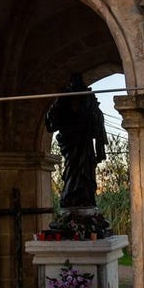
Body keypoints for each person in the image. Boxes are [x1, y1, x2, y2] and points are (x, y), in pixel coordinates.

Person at [44, 73, 107, 208]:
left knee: (86, 173)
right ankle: (71, 197)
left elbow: (96, 123)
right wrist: (58, 101)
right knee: (72, 171)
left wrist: (93, 110)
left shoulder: (88, 103)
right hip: (70, 145)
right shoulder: (63, 104)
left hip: (84, 145)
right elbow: (51, 124)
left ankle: (84, 199)